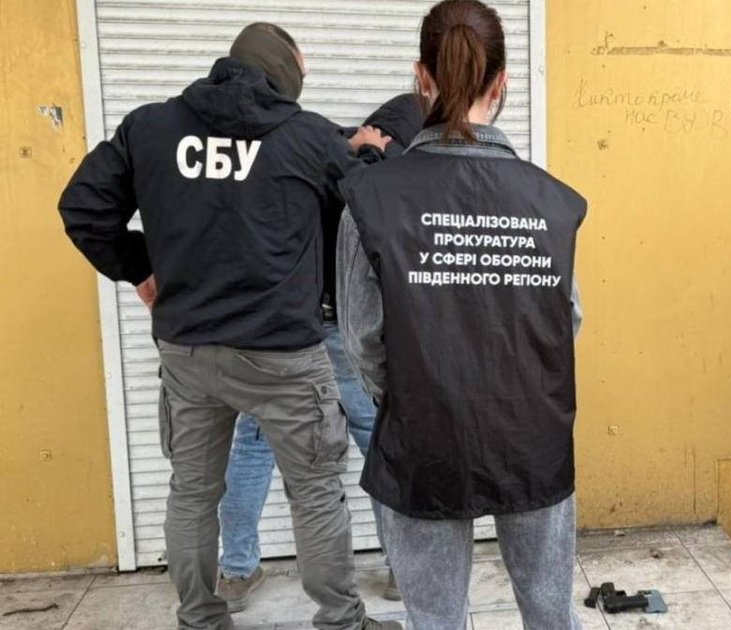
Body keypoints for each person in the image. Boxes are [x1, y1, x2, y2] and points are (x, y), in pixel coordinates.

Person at [58, 22, 399, 630]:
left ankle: (200, 618)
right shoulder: (306, 135)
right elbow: (368, 204)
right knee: (315, 492)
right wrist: (368, 152)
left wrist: (139, 269)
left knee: (192, 493)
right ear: (283, 72)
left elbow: (83, 207)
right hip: (283, 356)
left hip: (188, 351)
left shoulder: (151, 127)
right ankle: (341, 621)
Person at [337, 1, 585, 628]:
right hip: (532, 432)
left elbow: (362, 338)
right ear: (501, 83)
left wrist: (413, 393)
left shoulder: (371, 197)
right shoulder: (551, 201)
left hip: (423, 431)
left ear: (421, 77)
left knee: (436, 617)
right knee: (550, 611)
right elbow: (569, 320)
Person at [215, 95, 424, 612]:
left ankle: (236, 572)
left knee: (255, 444)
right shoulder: (380, 168)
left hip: (277, 328)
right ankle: (400, 569)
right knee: (378, 442)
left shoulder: (308, 146)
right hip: (337, 328)